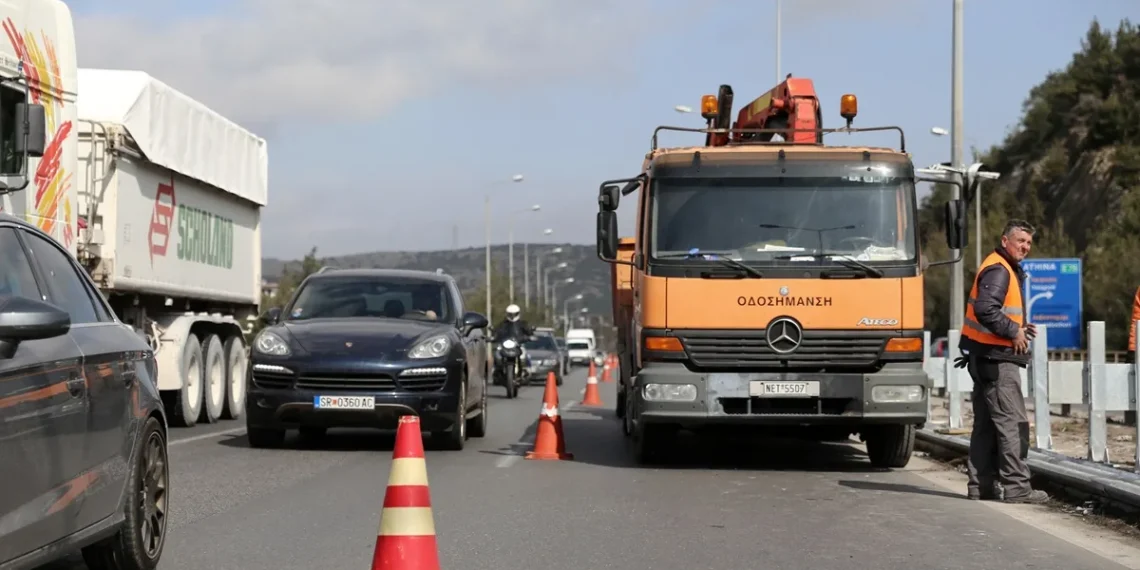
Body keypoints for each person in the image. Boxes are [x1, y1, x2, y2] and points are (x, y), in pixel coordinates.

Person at [956, 219, 1048, 504]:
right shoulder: (999, 269)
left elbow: (994, 311)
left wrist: (1019, 326)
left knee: (985, 426)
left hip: (983, 358)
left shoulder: (998, 265)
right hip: (996, 361)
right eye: (1020, 241)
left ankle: (980, 485)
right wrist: (1012, 331)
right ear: (1004, 240)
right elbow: (986, 309)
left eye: (1029, 243)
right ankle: (1017, 488)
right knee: (1013, 424)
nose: (1025, 247)